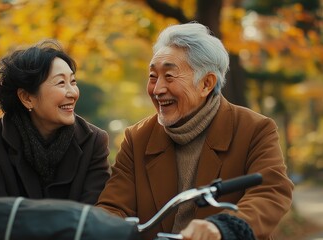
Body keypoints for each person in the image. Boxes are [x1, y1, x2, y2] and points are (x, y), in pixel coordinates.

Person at [96, 22, 294, 240]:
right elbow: (113, 207)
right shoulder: (138, 137)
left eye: (169, 76)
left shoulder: (254, 129)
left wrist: (224, 228)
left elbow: (270, 191)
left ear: (206, 84)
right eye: (153, 77)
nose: (158, 89)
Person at [0, 39, 111, 239]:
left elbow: (95, 218)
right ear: (27, 97)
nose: (73, 92)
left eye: (73, 81)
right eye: (61, 83)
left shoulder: (94, 141)